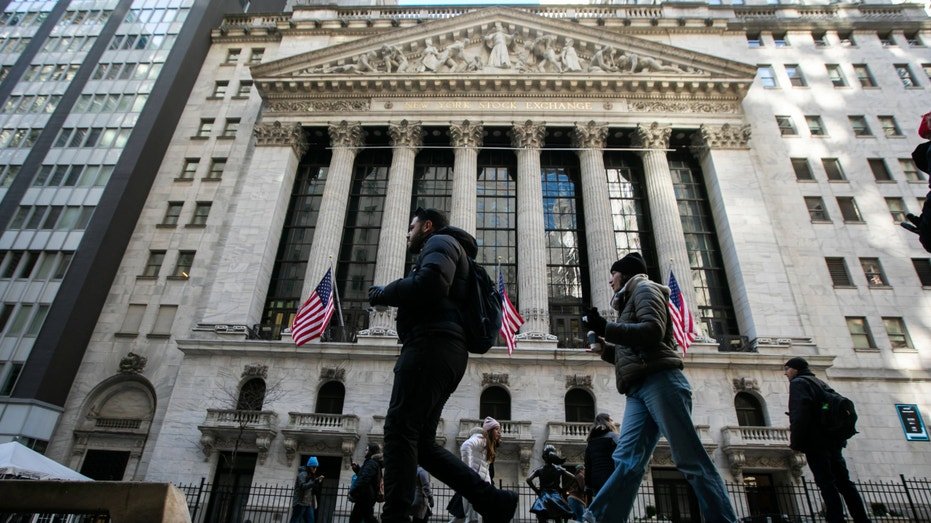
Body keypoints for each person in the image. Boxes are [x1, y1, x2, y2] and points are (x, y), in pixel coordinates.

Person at [368, 207, 519, 523]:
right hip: (444, 350)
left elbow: (432, 283)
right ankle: (492, 500)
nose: (407, 234)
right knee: (420, 443)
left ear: (426, 226)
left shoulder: (440, 243)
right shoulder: (448, 246)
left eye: (410, 227)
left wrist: (385, 292)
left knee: (399, 428)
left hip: (431, 346)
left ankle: (395, 515)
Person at [580, 252, 738, 523]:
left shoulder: (645, 289)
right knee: (626, 460)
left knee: (690, 458)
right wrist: (605, 349)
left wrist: (608, 326)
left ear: (626, 273)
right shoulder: (629, 300)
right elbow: (632, 352)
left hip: (660, 381)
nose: (610, 281)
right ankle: (598, 518)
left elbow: (652, 331)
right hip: (637, 388)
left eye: (614, 273)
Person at [784, 357, 872, 523]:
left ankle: (836, 518)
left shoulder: (798, 383)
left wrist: (796, 441)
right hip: (832, 440)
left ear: (795, 369)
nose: (785, 372)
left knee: (826, 483)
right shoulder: (819, 382)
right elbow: (824, 407)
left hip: (816, 441)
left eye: (787, 369)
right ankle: (862, 519)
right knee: (844, 482)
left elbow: (800, 413)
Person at [449, 418, 502, 523]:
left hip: (479, 486)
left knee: (466, 518)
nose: (499, 432)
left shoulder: (487, 444)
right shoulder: (480, 439)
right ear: (490, 430)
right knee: (473, 518)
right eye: (496, 429)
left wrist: (488, 485)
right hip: (473, 485)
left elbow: (485, 470)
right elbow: (465, 446)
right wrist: (467, 471)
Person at [526, 445, 575, 522]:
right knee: (558, 518)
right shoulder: (558, 469)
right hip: (556, 496)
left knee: (542, 517)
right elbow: (573, 477)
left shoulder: (540, 470)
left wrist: (537, 490)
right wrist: (564, 488)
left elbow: (528, 479)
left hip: (544, 496)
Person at [583, 413, 619, 501]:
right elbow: (623, 454)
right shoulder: (614, 437)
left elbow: (587, 464)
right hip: (612, 477)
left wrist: (588, 485)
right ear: (608, 422)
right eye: (611, 420)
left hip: (595, 481)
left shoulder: (590, 442)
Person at [349, 444, 384, 523]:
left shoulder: (371, 463)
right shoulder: (372, 462)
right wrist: (357, 469)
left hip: (365, 495)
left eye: (367, 450)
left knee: (359, 518)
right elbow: (367, 476)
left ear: (371, 451)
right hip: (367, 495)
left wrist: (353, 491)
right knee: (365, 517)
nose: (365, 451)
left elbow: (365, 478)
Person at [290, 456, 323, 523]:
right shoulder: (302, 474)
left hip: (308, 503)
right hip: (300, 502)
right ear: (309, 466)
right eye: (314, 467)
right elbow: (303, 486)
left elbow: (312, 490)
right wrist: (315, 481)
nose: (315, 469)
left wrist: (317, 482)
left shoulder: (311, 475)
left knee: (310, 521)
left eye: (316, 467)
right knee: (295, 521)